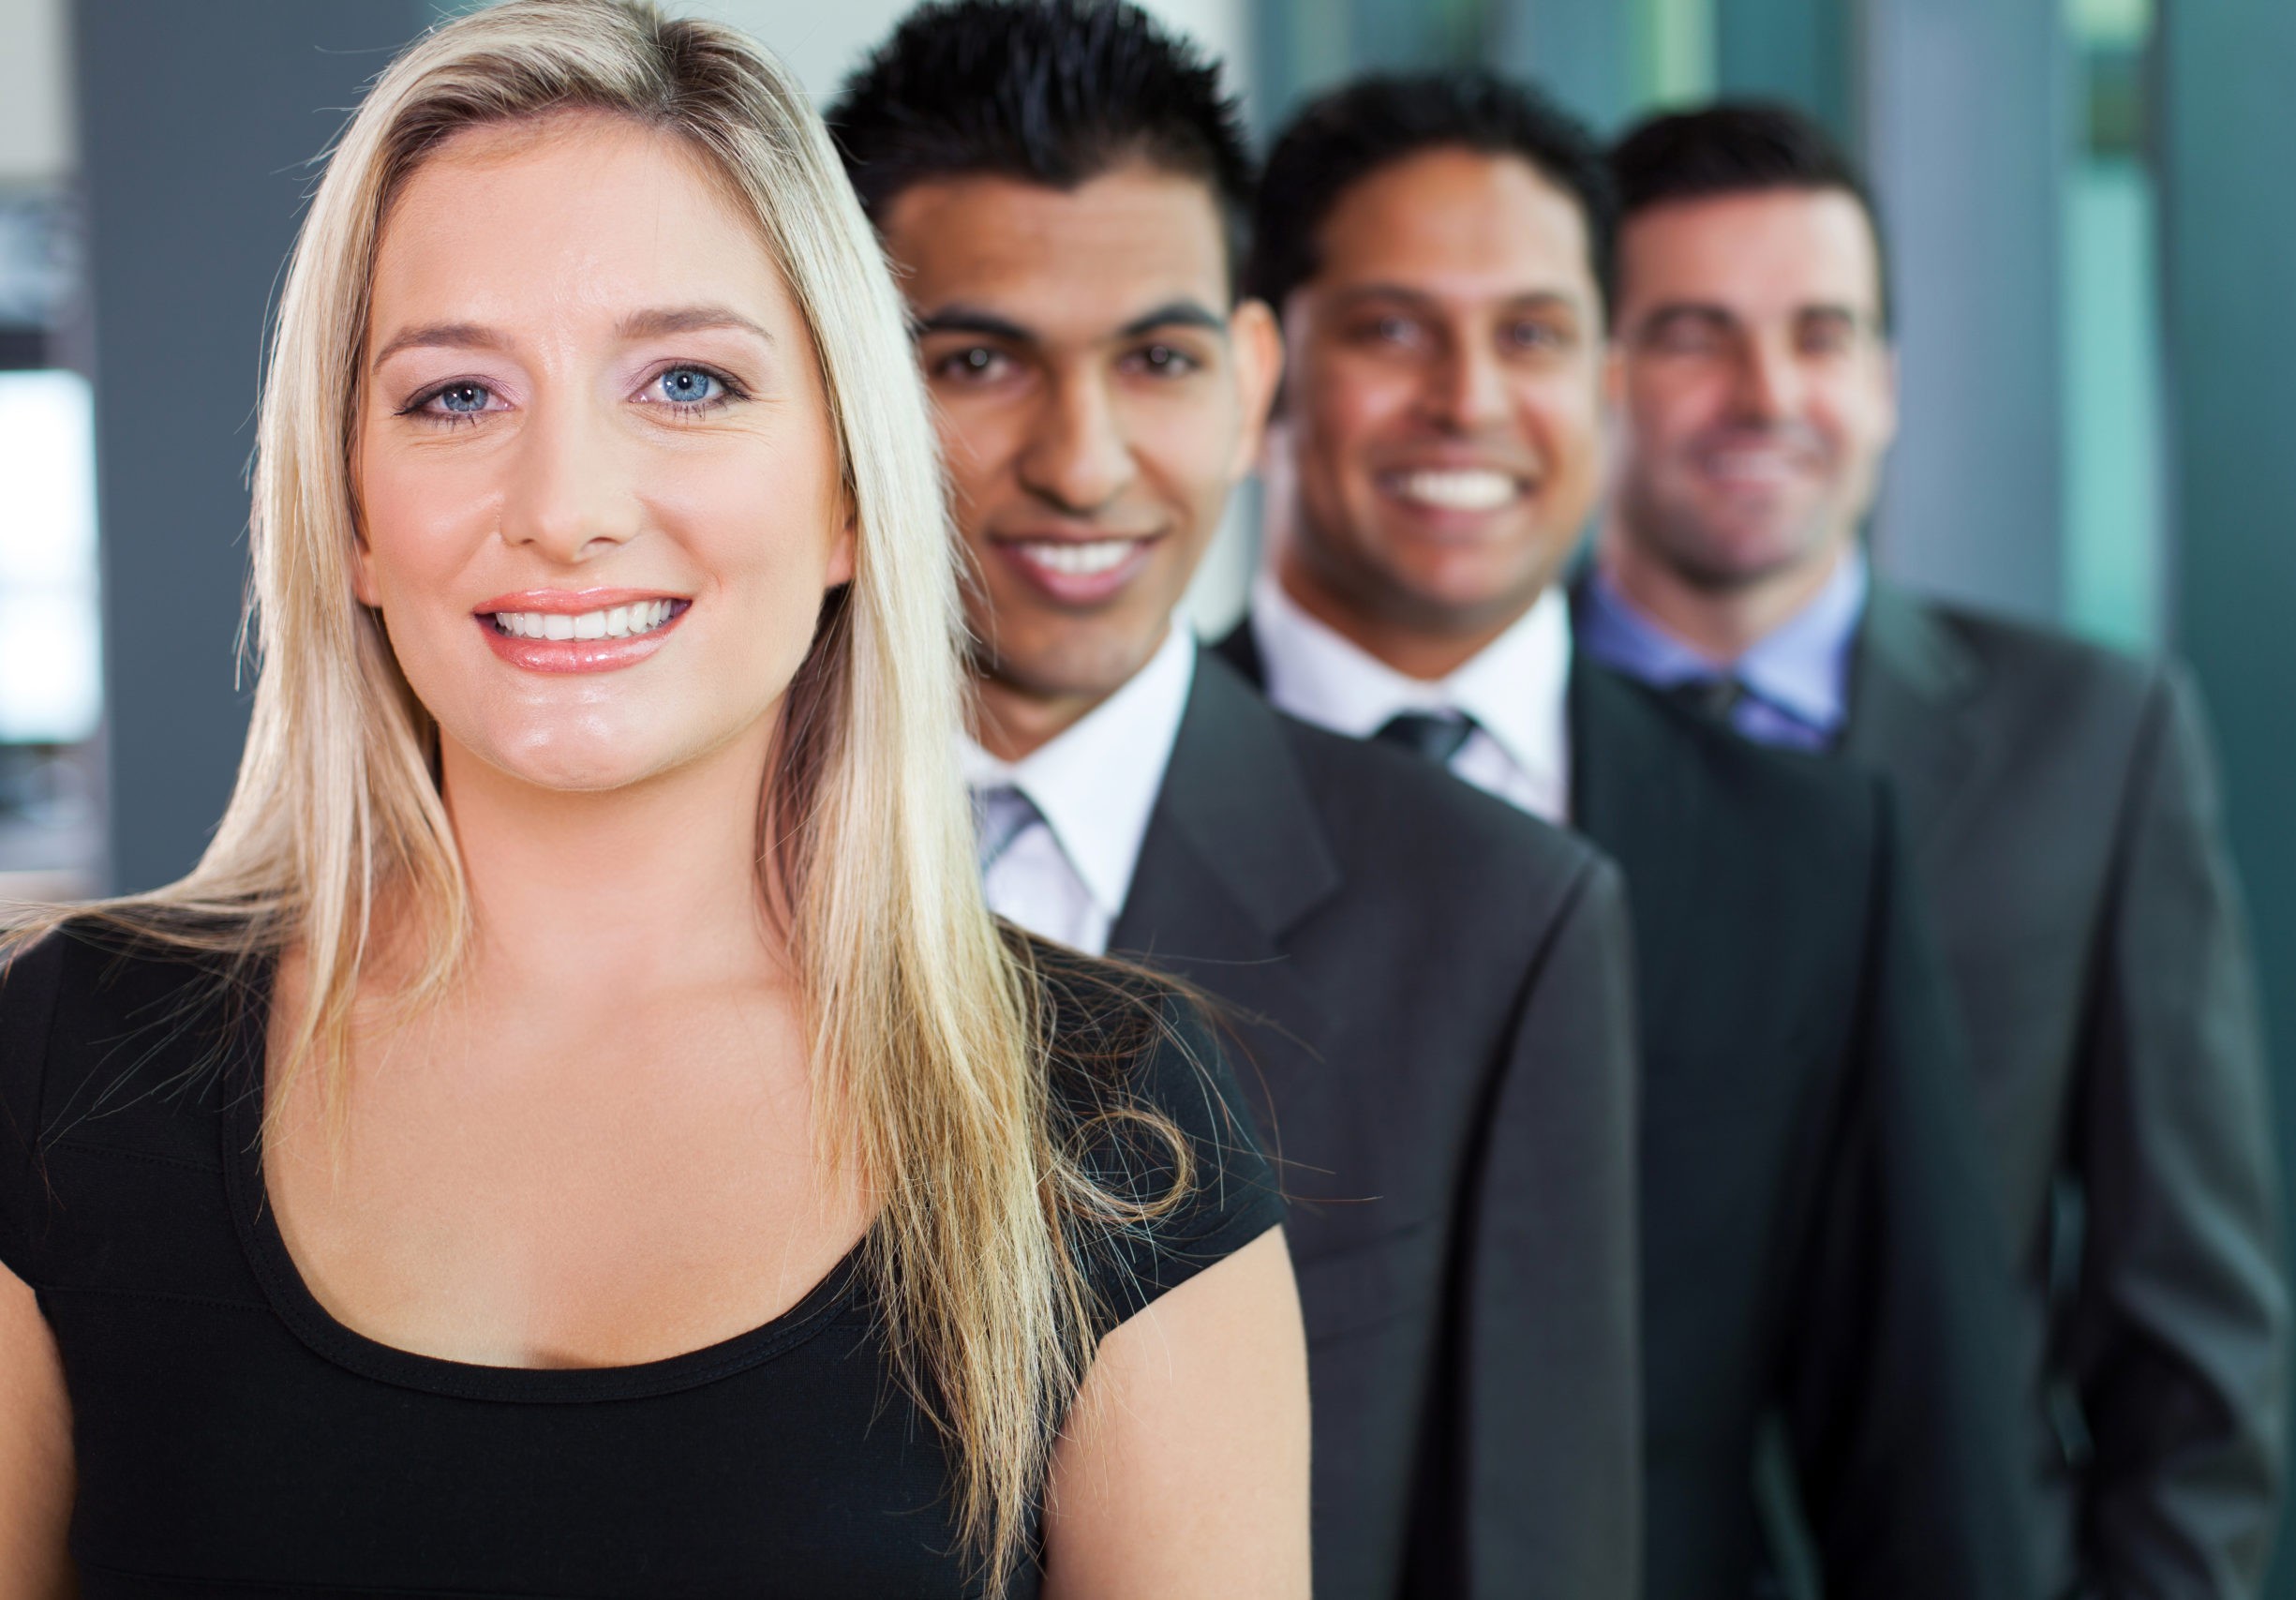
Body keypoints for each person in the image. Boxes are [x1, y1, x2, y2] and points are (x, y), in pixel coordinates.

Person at [0, 3, 1309, 1594]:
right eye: (455, 397)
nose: (565, 509)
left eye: (687, 382)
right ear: (345, 508)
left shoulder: (1113, 1121)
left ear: (845, 491)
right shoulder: (62, 1064)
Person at [829, 8, 1643, 1598]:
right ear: (842, 374)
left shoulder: (1496, 922)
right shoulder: (677, 870)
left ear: (1254, 376)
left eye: (1161, 359)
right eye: (980, 360)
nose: (1084, 462)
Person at [1232, 71, 2037, 1600]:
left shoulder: (1808, 858)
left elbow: (1925, 1471)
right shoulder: (1075, 808)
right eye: (1393, 329)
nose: (1467, 398)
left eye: (1531, 333)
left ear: (1602, 376)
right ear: (1269, 366)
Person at [1584, 101, 2290, 1597]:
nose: (1765, 392)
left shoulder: (2097, 741)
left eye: (1823, 334)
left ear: (1890, 380)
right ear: (1593, 373)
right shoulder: (1469, 752)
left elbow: (2193, 1317)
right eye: (1692, 334)